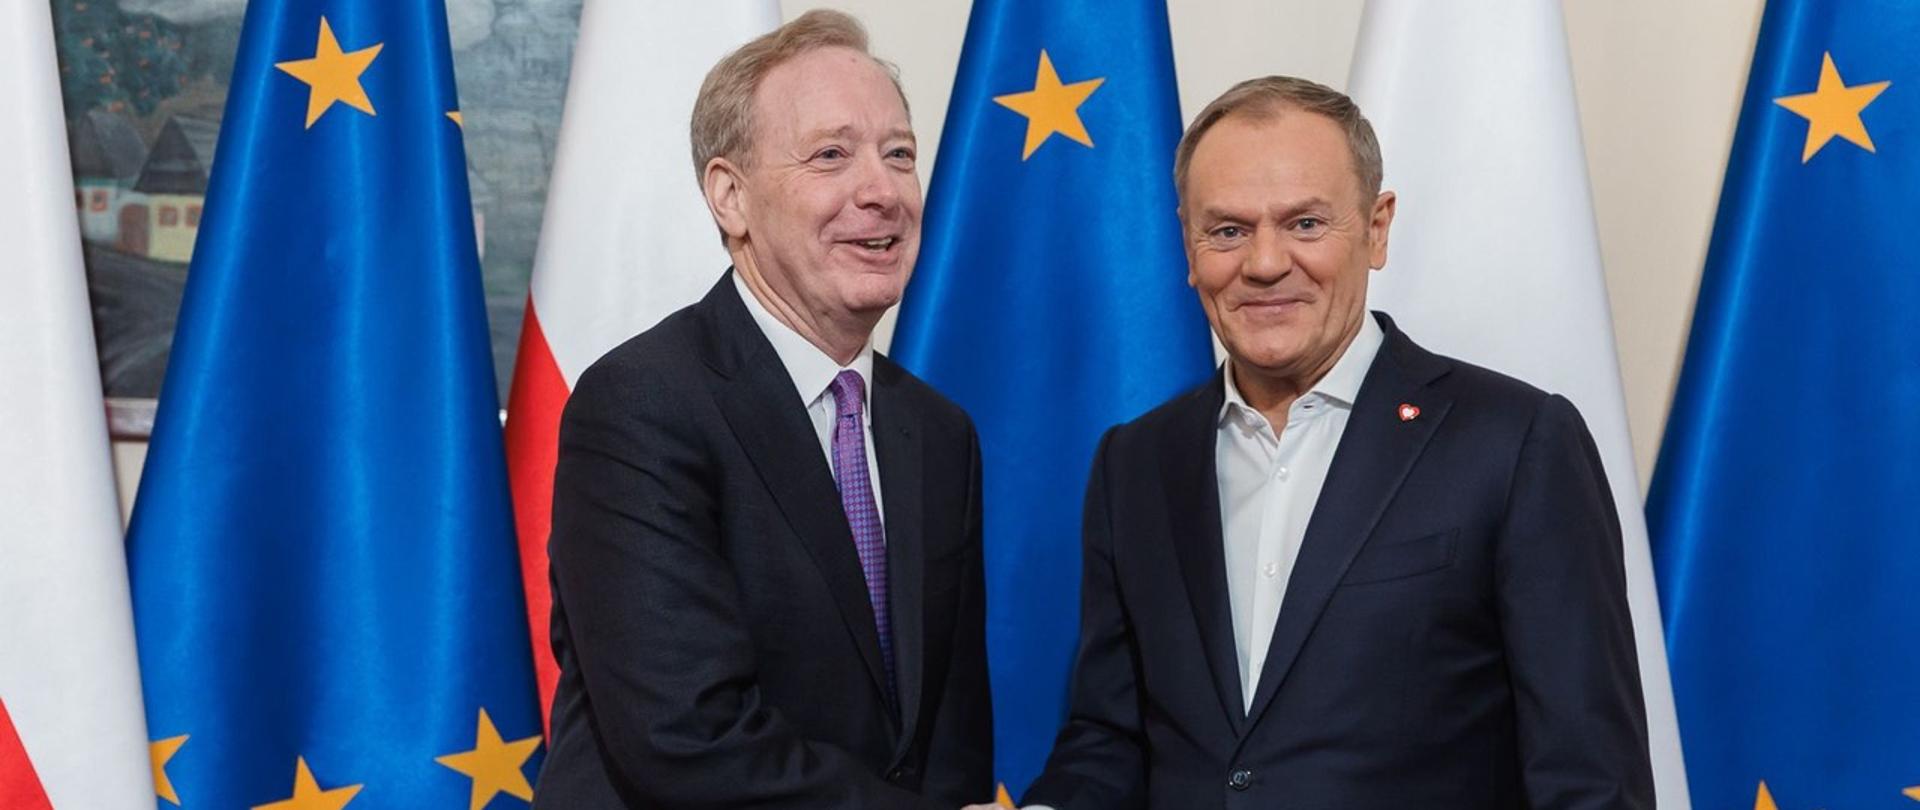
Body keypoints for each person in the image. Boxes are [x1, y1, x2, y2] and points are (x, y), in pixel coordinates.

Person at [988, 76, 1655, 809]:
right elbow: (1112, 740)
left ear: (1376, 228)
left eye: (1305, 224)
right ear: (1187, 244)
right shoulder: (1136, 463)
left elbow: (1591, 780)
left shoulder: (1515, 443)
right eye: (1228, 230)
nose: (1265, 263)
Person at [536, 11, 992, 808]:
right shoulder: (641, 406)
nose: (882, 192)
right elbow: (687, 740)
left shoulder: (938, 431)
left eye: (899, 154)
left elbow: (947, 741)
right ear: (731, 197)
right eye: (831, 155)